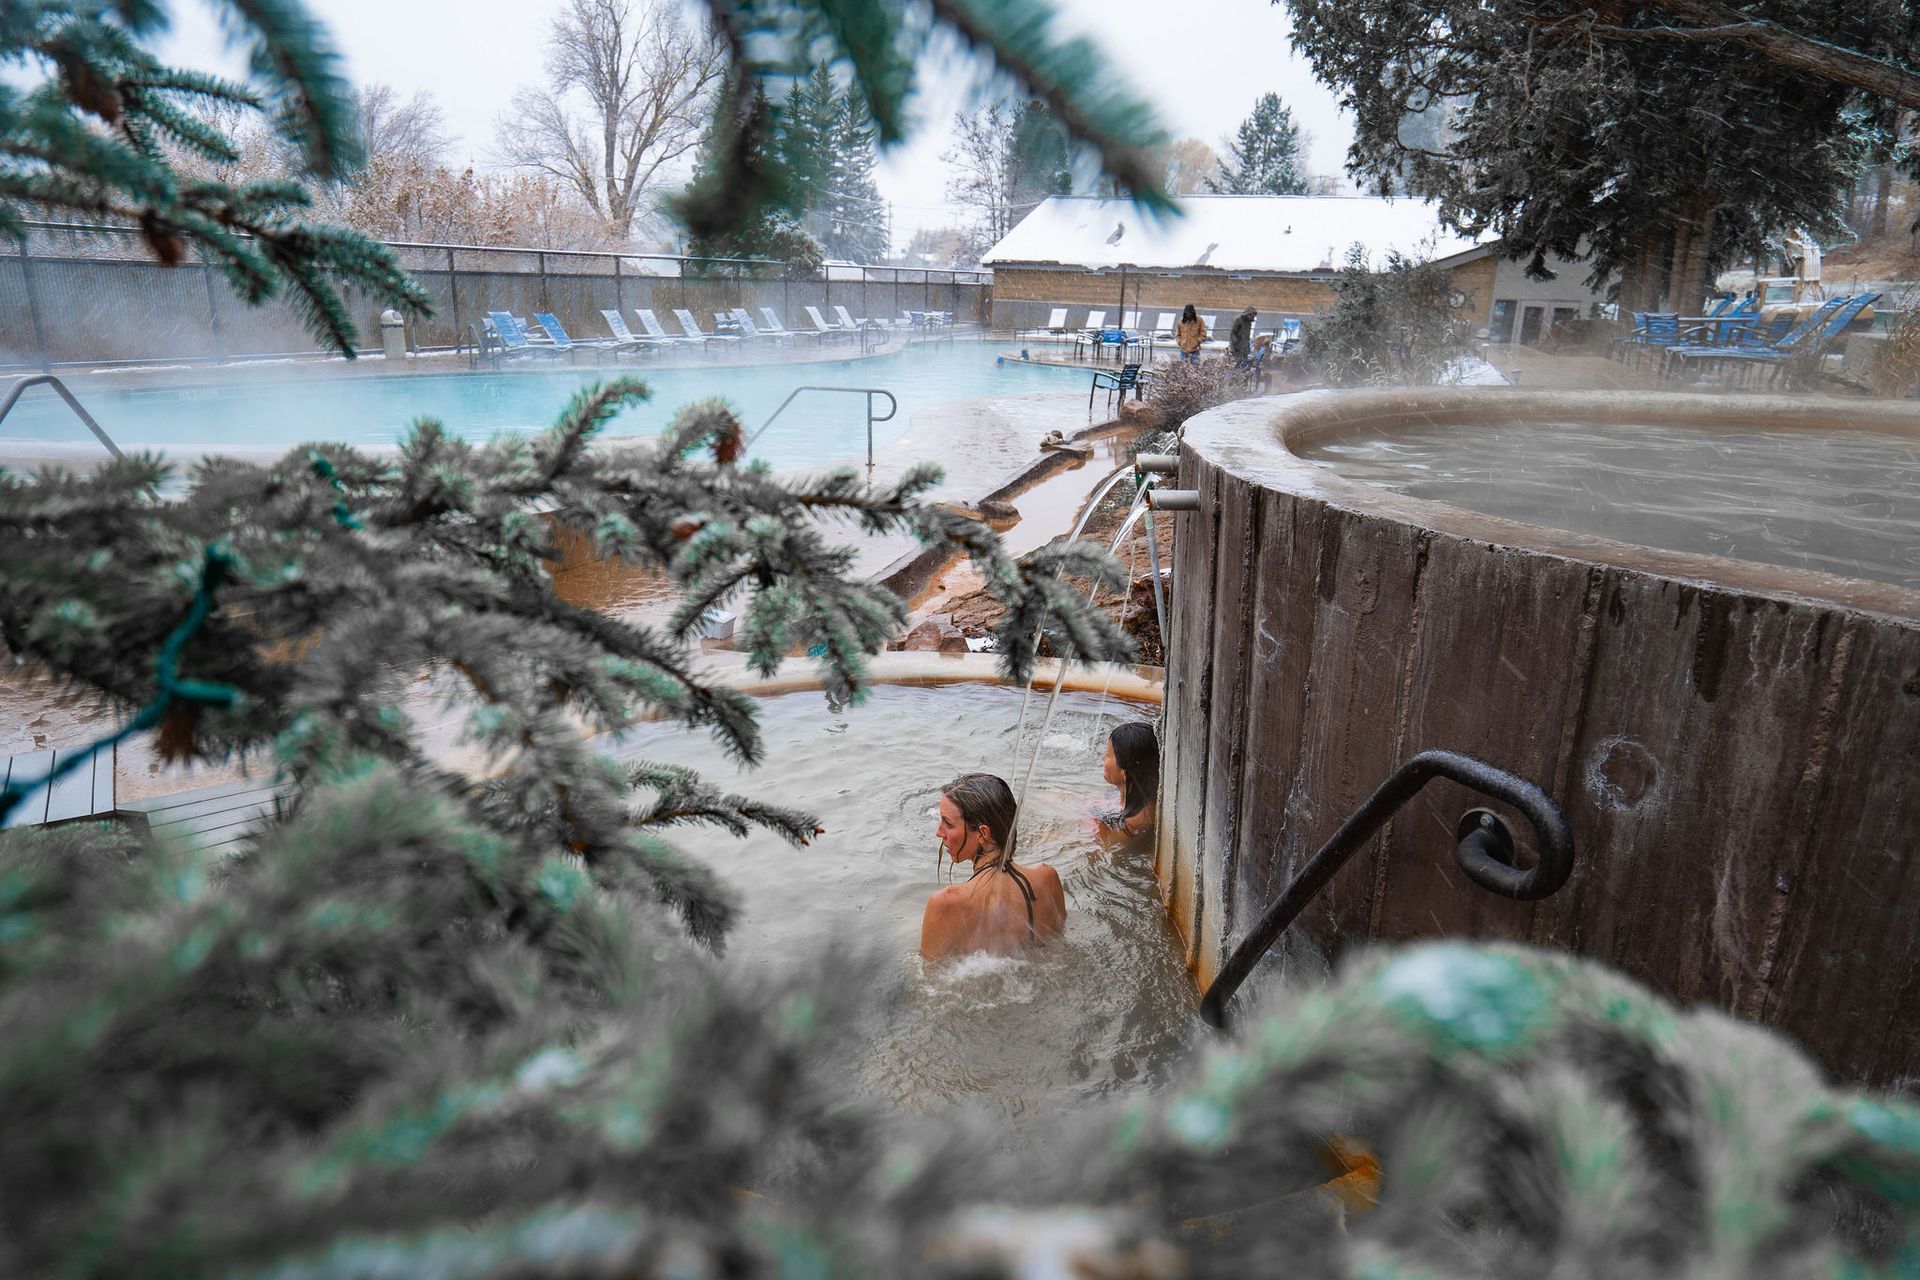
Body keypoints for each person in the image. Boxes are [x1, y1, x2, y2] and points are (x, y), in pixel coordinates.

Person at [921, 773, 1066, 961]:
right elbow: (1058, 948)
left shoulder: (945, 903)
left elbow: (928, 980)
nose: (938, 832)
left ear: (983, 833)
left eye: (948, 824)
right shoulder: (1048, 879)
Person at [1098, 722, 1159, 840]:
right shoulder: (1138, 797)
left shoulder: (1132, 825)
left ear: (1124, 772)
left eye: (1109, 754)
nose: (1103, 757)